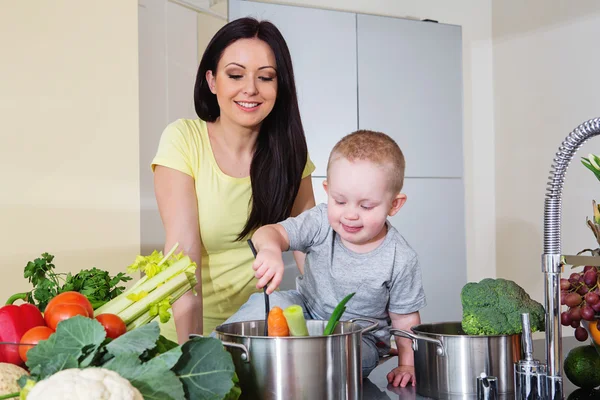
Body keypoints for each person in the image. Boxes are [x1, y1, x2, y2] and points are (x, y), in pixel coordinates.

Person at [151, 17, 316, 343]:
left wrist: (344, 322)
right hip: (185, 335)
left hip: (259, 333)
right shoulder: (183, 139)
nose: (250, 89)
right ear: (212, 81)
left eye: (265, 77)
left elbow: (311, 250)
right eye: (235, 75)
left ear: (279, 85)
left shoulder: (290, 155)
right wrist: (193, 355)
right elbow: (184, 260)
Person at [221, 130, 426, 388]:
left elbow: (405, 319)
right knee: (271, 303)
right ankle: (214, 351)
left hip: (359, 338)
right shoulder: (319, 221)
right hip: (307, 311)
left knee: (338, 353)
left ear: (394, 205)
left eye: (366, 206)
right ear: (327, 191)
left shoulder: (401, 258)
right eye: (340, 201)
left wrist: (407, 363)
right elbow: (269, 232)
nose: (350, 215)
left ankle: (290, 374)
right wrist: (271, 249)